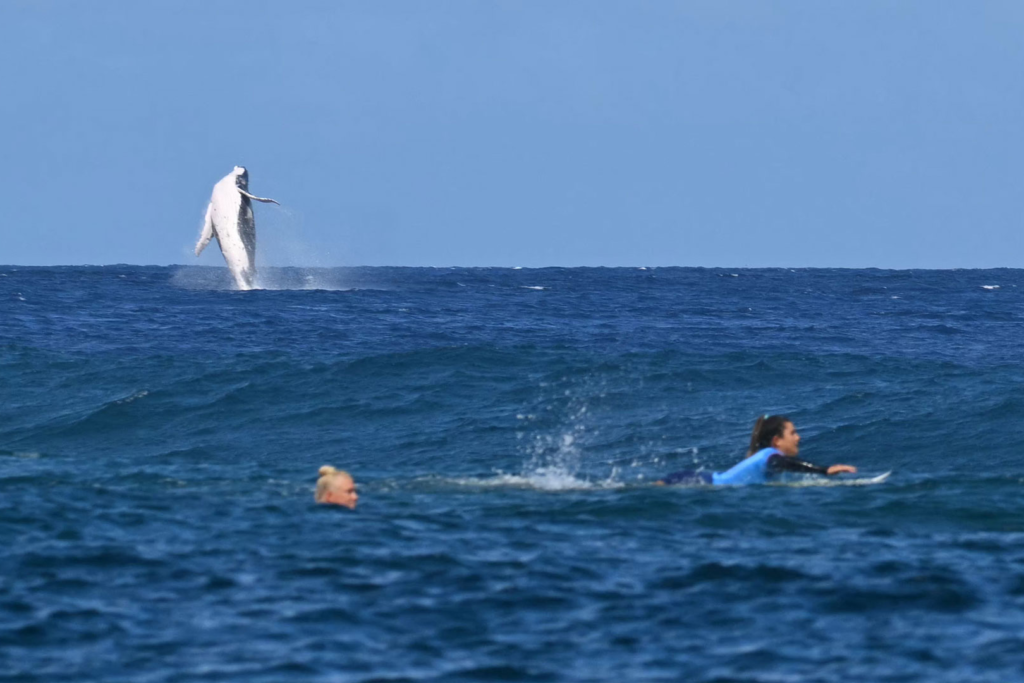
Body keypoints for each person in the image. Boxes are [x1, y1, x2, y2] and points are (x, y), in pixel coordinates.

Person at [657, 414, 857, 486]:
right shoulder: (772, 456)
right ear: (777, 441)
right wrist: (824, 470)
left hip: (697, 479)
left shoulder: (764, 456)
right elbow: (785, 464)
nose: (798, 437)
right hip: (695, 482)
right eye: (793, 433)